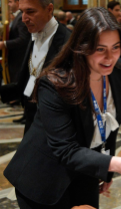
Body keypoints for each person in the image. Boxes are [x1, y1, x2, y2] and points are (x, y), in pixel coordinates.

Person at [4, 7, 121, 209]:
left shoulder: (114, 72)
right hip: (44, 178)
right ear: (82, 46)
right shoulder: (54, 83)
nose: (110, 57)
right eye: (100, 49)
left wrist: (106, 170)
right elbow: (65, 150)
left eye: (115, 47)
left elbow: (110, 125)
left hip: (84, 171)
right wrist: (116, 163)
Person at [0, 0, 71, 131]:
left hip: (53, 125)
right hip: (31, 117)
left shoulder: (68, 43)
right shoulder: (35, 32)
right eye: (22, 12)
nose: (24, 19)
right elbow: (28, 79)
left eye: (30, 11)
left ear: (49, 9)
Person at [0, 0, 30, 83]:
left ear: (17, 3)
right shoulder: (17, 17)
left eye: (10, 2)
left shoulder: (21, 17)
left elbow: (23, 39)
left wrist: (4, 44)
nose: (8, 5)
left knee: (16, 83)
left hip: (19, 59)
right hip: (15, 58)